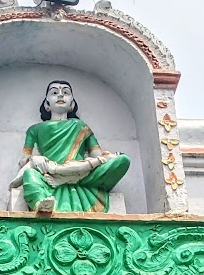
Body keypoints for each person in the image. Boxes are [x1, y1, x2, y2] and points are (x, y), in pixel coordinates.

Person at [9, 80, 132, 214]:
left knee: (123, 160)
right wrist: (33, 159)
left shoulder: (80, 126)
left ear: (72, 104)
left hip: (81, 174)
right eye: (54, 92)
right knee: (30, 174)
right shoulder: (35, 129)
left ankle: (67, 178)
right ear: (46, 104)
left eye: (66, 92)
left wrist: (108, 158)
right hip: (49, 176)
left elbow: (98, 155)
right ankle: (41, 202)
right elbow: (24, 160)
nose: (60, 95)